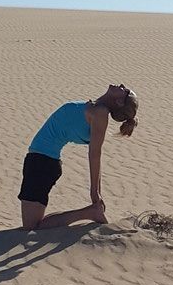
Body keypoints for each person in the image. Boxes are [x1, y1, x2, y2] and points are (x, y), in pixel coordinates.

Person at [19, 84, 138, 232]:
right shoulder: (95, 108)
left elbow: (95, 154)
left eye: (125, 91)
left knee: (31, 227)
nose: (122, 85)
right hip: (40, 161)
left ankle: (90, 212)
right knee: (34, 224)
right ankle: (91, 211)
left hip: (42, 163)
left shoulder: (100, 113)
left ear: (119, 102)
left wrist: (95, 192)